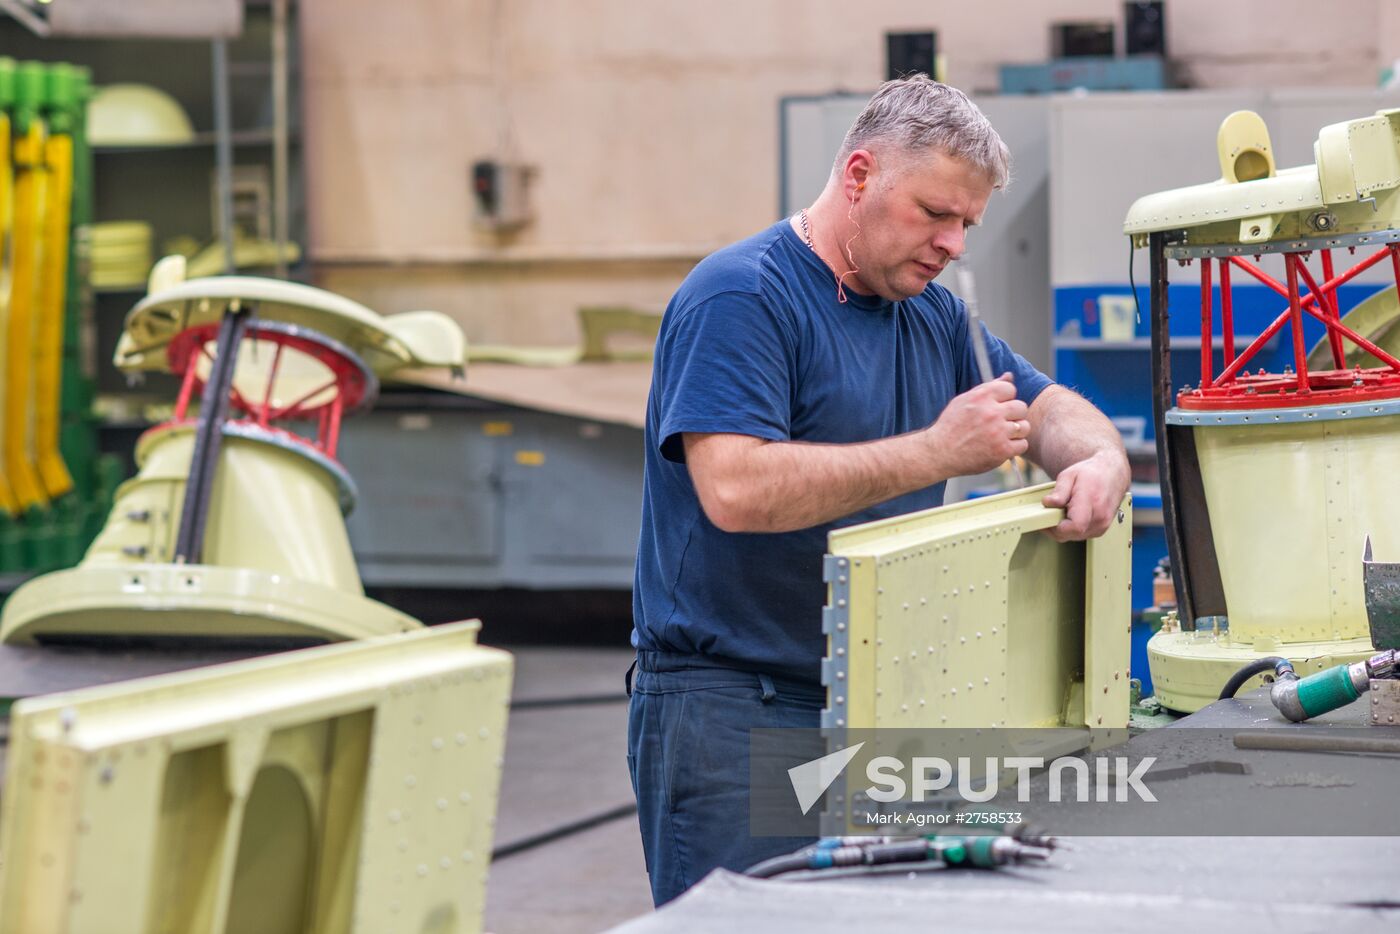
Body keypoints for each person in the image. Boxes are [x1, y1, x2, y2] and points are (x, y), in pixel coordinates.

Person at [625, 76, 1130, 906]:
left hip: (876, 694)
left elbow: (1049, 410)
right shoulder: (742, 297)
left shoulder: (928, 315)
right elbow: (736, 488)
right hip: (737, 706)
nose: (954, 244)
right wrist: (936, 452)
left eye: (968, 223)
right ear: (859, 176)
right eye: (935, 213)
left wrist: (1100, 459)